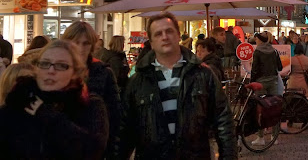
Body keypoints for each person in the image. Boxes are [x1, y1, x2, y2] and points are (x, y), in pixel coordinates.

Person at [116, 12, 235, 159]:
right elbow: (124, 132)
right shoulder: (138, 81)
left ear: (178, 36)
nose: (164, 37)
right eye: (158, 34)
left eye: (169, 31)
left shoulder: (203, 75)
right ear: (151, 42)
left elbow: (223, 122)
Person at [0, 40, 108, 159]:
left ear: (75, 72)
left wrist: (47, 115)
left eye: (61, 66)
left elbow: (90, 151)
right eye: (45, 64)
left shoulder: (88, 104)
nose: (51, 71)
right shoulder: (21, 99)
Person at [61, 21, 121, 157]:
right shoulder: (57, 69)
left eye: (86, 43)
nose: (81, 48)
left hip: (94, 146)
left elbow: (115, 116)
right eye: (76, 42)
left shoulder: (103, 72)